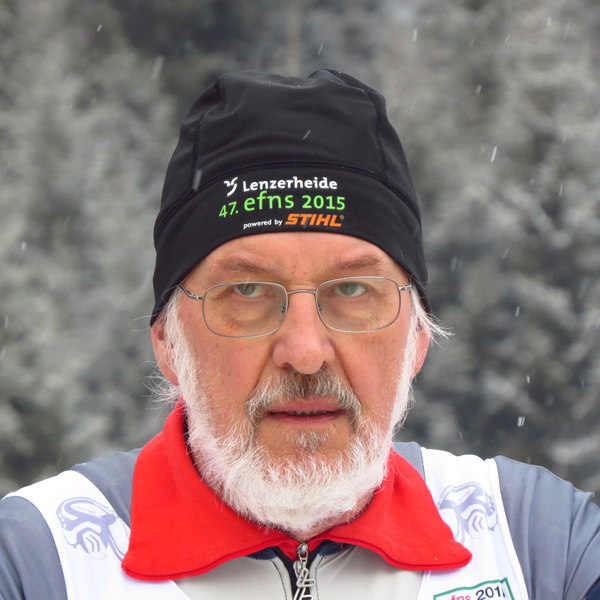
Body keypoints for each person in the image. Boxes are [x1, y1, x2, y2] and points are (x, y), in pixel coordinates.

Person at [1, 70, 599, 600]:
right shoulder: (37, 561)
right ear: (168, 343)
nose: (306, 352)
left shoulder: (537, 544)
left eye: (353, 290)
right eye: (247, 292)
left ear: (417, 337)